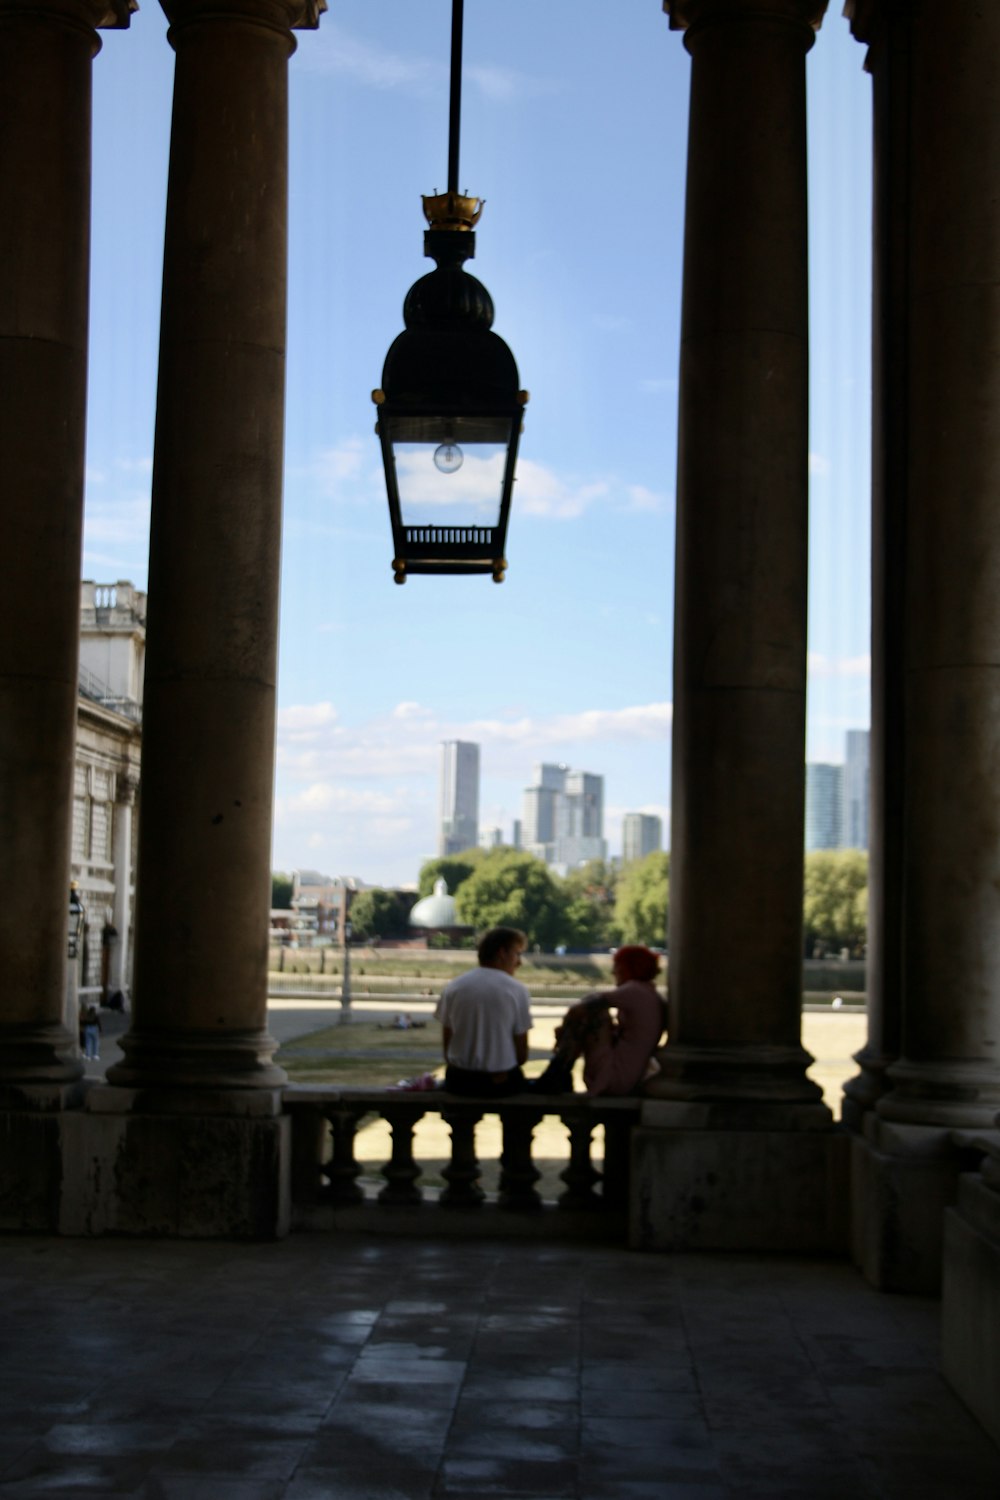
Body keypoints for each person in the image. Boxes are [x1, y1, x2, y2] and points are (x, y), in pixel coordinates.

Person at [532, 945, 665, 1096]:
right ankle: (558, 1072)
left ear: (627, 968)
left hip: (614, 1078)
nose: (613, 972)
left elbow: (583, 1006)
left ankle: (558, 1071)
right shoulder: (649, 994)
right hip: (627, 1077)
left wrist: (564, 1030)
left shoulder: (635, 990)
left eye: (617, 966)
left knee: (594, 1013)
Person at [436, 926, 532, 1097]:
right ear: (502, 953)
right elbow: (521, 1052)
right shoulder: (517, 990)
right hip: (500, 1083)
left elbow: (447, 1040)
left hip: (459, 1081)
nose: (519, 962)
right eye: (517, 954)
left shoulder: (454, 987)